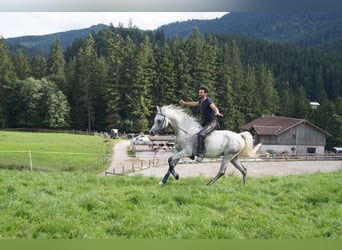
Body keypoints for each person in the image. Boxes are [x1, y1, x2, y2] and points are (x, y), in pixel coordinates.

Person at [179, 85, 223, 162]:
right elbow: (195, 104)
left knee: (200, 134)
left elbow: (214, 107)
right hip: (204, 123)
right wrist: (185, 103)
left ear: (206, 94)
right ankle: (191, 153)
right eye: (199, 92)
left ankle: (200, 155)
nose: (199, 93)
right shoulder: (201, 101)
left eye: (201, 92)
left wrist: (217, 112)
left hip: (212, 123)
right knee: (192, 133)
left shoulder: (208, 101)